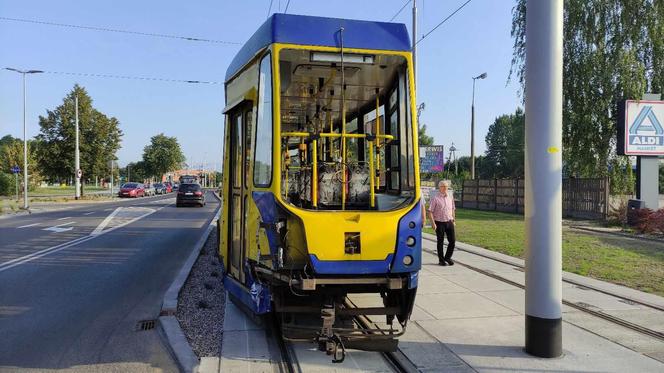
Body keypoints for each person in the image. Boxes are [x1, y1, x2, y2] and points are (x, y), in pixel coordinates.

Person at [428, 180, 456, 266]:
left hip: (449, 221)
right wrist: (433, 223)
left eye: (446, 186)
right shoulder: (435, 198)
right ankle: (441, 260)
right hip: (439, 222)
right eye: (443, 186)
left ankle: (447, 257)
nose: (445, 188)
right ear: (439, 188)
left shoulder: (450, 197)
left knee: (452, 241)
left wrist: (454, 220)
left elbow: (453, 209)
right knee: (440, 241)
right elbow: (430, 211)